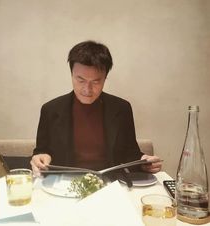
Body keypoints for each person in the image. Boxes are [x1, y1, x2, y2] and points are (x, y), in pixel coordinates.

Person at [31, 40, 162, 176]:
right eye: (80, 80)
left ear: (105, 78)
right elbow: (41, 150)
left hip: (110, 183)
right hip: (65, 184)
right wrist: (40, 158)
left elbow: (130, 153)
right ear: (72, 75)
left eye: (96, 81)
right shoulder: (51, 110)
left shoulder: (121, 108)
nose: (87, 89)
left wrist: (144, 162)